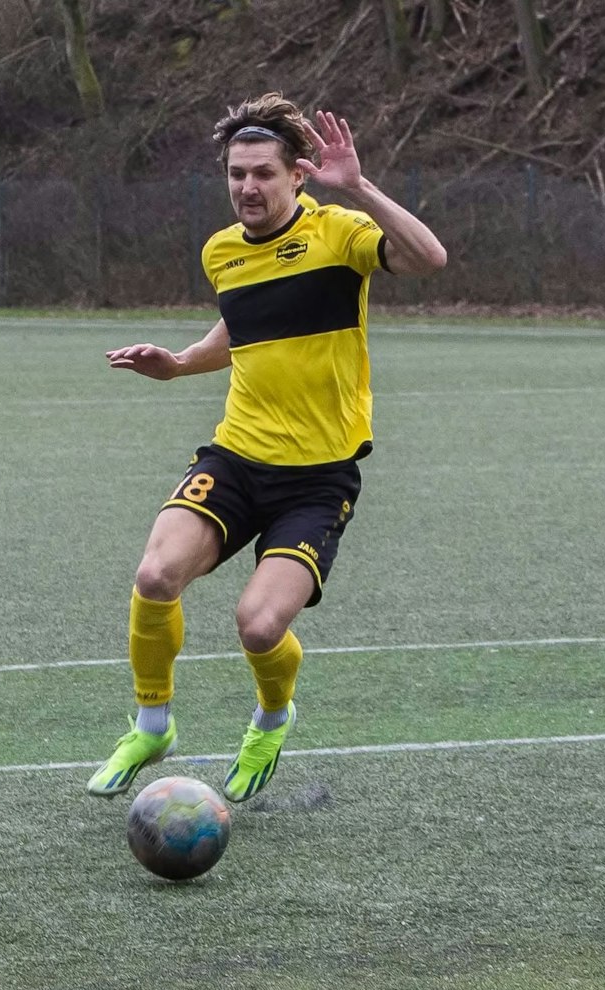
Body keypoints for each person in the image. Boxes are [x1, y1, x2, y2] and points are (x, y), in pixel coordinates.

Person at [85, 93, 447, 803]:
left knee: (257, 624)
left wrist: (361, 187)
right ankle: (153, 722)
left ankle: (271, 717)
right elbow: (244, 328)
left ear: (297, 177)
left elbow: (430, 258)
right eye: (236, 174)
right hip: (236, 458)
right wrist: (180, 362)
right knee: (155, 574)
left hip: (317, 480)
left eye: (262, 174)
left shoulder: (339, 232)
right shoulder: (222, 252)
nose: (247, 187)